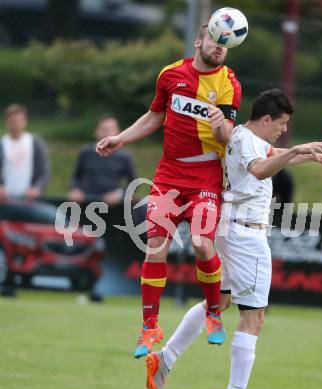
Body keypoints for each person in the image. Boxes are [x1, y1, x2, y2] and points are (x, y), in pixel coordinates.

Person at [144, 90, 322, 389]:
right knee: (254, 317)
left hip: (228, 228)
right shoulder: (250, 141)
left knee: (220, 301)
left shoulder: (242, 135)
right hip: (247, 235)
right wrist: (298, 149)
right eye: (281, 124)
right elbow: (262, 168)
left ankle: (165, 358)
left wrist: (309, 153)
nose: (283, 130)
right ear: (266, 119)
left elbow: (272, 154)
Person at [96, 24, 242, 359]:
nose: (219, 48)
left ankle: (213, 313)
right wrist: (121, 138)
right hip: (169, 174)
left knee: (202, 245)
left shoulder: (229, 83)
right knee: (155, 247)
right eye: (214, 41)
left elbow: (226, 137)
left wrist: (220, 122)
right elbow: (153, 116)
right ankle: (150, 326)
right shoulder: (171, 74)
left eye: (225, 45)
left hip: (205, 175)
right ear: (199, 41)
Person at [68, 115, 136, 205]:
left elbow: (133, 182)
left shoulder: (124, 156)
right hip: (86, 202)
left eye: (110, 130)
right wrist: (76, 189)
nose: (107, 134)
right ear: (96, 131)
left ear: (118, 132)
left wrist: (118, 194)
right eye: (104, 130)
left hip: (113, 206)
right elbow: (76, 176)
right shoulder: (86, 152)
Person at [0, 104, 50, 201]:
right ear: (7, 122)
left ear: (25, 122)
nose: (15, 124)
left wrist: (37, 188)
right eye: (12, 121)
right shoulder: (2, 144)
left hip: (30, 200)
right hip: (4, 201)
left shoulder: (35, 143)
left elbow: (44, 172)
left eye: (18, 121)